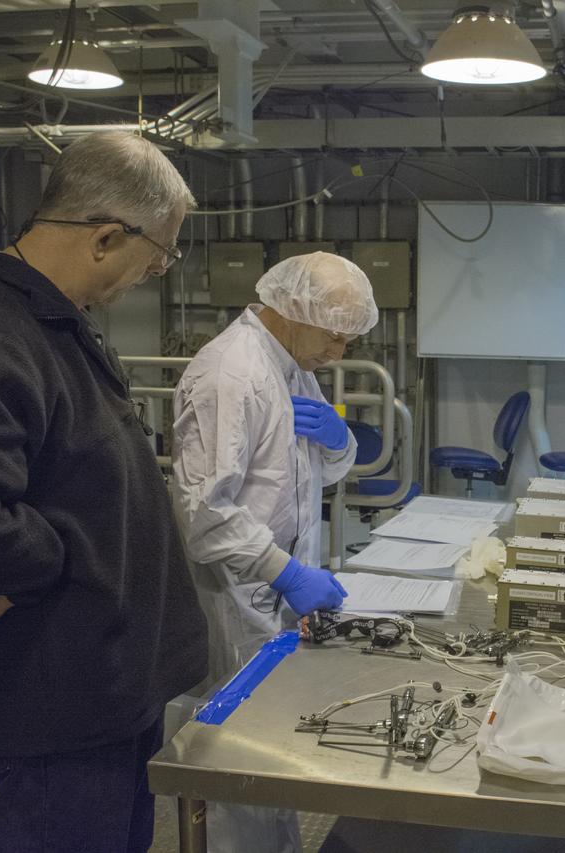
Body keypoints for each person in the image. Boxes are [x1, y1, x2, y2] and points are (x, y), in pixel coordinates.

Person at [0, 131, 206, 852]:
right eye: (160, 253)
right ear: (107, 237)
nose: (158, 270)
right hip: (62, 712)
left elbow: (67, 481)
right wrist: (35, 562)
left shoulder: (55, 323)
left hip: (108, 692)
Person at [171, 251, 378, 853]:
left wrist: (340, 442)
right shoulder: (230, 373)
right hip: (238, 597)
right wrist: (284, 570)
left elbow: (313, 472)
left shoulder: (291, 366)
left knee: (272, 757)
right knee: (240, 763)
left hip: (274, 591)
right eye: (335, 336)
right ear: (293, 311)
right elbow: (205, 516)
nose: (339, 353)